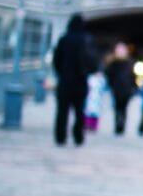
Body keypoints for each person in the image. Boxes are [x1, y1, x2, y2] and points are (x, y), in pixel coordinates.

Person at [51, 13, 96, 146]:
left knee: (62, 111)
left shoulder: (64, 40)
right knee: (80, 111)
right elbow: (92, 62)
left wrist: (62, 73)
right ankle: (78, 136)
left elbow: (56, 60)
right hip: (80, 82)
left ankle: (60, 137)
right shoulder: (86, 40)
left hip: (65, 82)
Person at [103, 42, 135, 135]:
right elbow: (133, 77)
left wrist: (110, 86)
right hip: (126, 89)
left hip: (117, 89)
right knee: (123, 108)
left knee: (117, 108)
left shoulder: (113, 63)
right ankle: (121, 126)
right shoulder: (129, 63)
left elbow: (108, 75)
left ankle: (118, 126)